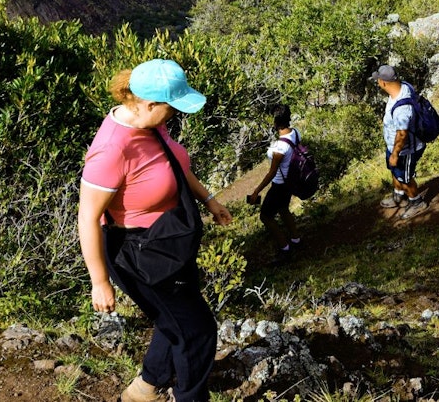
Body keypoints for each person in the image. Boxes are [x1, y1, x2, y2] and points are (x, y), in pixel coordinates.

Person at [77, 59, 233, 402]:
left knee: (173, 318)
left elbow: (173, 162)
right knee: (197, 332)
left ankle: (144, 389)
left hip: (169, 241)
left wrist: (208, 199)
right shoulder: (112, 149)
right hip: (140, 253)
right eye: (172, 108)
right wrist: (99, 281)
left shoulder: (149, 123)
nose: (176, 114)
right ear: (148, 103)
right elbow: (88, 216)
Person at [372, 64, 430, 220]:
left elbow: (402, 133)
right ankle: (399, 196)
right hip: (395, 147)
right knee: (395, 171)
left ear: (383, 83)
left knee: (406, 177)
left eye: (378, 80)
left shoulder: (402, 109)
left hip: (406, 150)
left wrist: (395, 154)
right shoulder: (403, 86)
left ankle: (416, 202)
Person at [246, 103, 303, 262]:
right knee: (283, 209)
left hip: (279, 185)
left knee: (265, 216)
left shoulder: (279, 147)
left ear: (276, 123)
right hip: (290, 181)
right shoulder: (295, 133)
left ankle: (285, 248)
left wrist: (257, 191)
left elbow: (271, 173)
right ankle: (296, 239)